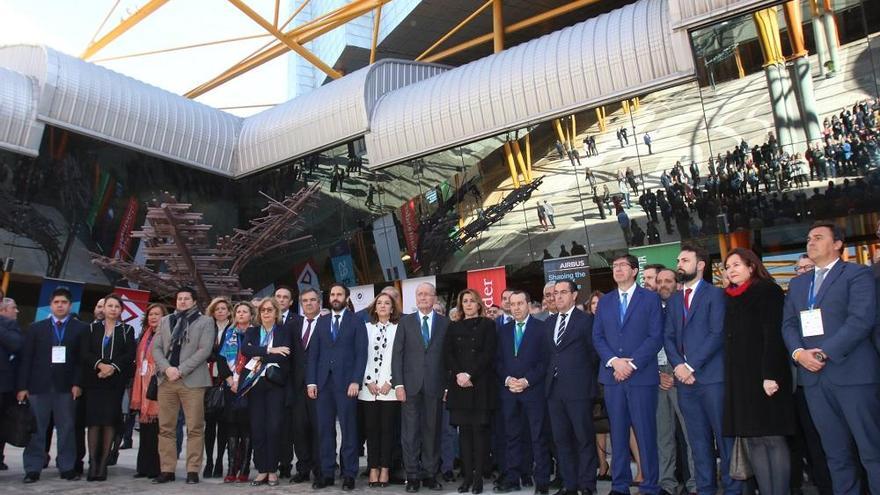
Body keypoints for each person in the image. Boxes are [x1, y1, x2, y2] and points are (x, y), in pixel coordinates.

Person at [783, 222, 880, 494]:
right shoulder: (799, 283)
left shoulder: (857, 274)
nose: (810, 243)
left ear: (838, 244)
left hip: (853, 376)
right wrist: (799, 353)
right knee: (835, 454)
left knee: (871, 451)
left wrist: (825, 352)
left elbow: (861, 320)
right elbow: (788, 324)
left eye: (818, 237)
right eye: (808, 238)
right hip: (814, 381)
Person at [663, 247, 736, 495]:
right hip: (685, 383)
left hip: (712, 379)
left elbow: (717, 334)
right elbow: (668, 337)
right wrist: (679, 366)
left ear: (701, 265)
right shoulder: (674, 299)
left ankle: (733, 489)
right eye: (678, 260)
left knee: (724, 440)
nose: (679, 264)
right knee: (697, 442)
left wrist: (690, 365)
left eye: (685, 260)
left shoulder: (716, 295)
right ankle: (705, 489)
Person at [722, 248, 794, 495]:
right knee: (754, 440)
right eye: (727, 267)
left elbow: (773, 334)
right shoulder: (730, 296)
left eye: (736, 265)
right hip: (741, 381)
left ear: (751, 266)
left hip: (766, 375)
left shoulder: (767, 291)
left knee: (773, 438)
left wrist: (770, 374)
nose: (730, 270)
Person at [592, 254, 663, 495]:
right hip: (613, 378)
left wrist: (631, 365)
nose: (617, 269)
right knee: (618, 434)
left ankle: (651, 485)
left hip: (641, 377)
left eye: (622, 266)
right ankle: (619, 485)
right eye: (614, 266)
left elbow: (655, 337)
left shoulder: (650, 299)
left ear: (634, 271)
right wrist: (614, 362)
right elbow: (598, 336)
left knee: (645, 433)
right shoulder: (606, 301)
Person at [17, 286, 88, 483]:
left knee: (66, 429)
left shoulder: (80, 328)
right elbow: (26, 359)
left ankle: (66, 467)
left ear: (69, 305)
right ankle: (32, 468)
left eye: (64, 302)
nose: (60, 305)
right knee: (36, 429)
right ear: (50, 305)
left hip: (66, 388)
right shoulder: (35, 328)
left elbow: (81, 361)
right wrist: (22, 387)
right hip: (38, 387)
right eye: (56, 302)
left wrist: (77, 383)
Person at [151, 287, 215, 485]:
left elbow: (205, 350)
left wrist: (181, 369)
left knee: (195, 427)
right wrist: (167, 368)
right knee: (166, 427)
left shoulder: (205, 321)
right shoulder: (166, 320)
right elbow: (156, 347)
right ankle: (167, 469)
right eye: (180, 299)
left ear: (194, 301)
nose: (183, 301)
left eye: (187, 298)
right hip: (167, 380)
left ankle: (193, 470)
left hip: (192, 380)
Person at [307, 283, 368, 491]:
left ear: (347, 297)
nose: (335, 297)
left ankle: (349, 473)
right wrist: (311, 381)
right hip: (323, 384)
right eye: (332, 294)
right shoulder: (322, 322)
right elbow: (313, 354)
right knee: (325, 430)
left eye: (339, 294)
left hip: (346, 384)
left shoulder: (356, 321)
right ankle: (326, 473)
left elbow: (362, 354)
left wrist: (355, 380)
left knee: (349, 430)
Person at [392, 281, 449, 492]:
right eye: (420, 295)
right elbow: (397, 355)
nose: (423, 298)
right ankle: (413, 476)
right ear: (415, 299)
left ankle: (430, 474)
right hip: (410, 387)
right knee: (410, 434)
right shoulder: (405, 323)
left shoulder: (445, 323)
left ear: (434, 298)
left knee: (432, 432)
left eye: (427, 294)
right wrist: (398, 384)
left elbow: (448, 358)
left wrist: (447, 386)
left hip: (435, 386)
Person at [545, 280, 599, 495]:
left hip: (579, 390)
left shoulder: (586, 321)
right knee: (561, 440)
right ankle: (570, 484)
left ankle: (587, 485)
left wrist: (583, 378)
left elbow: (594, 355)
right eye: (555, 293)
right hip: (554, 391)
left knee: (584, 438)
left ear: (574, 295)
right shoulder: (549, 323)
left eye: (563, 292)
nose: (558, 297)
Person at [495, 291, 550, 494]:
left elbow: (545, 361)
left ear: (528, 304)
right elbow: (498, 361)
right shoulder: (503, 330)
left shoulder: (541, 328)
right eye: (512, 304)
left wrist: (526, 381)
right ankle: (512, 478)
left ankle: (542, 480)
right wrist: (509, 380)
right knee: (512, 436)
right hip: (509, 392)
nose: (516, 307)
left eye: (520, 303)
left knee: (538, 436)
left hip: (533, 391)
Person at [444, 289, 497, 495]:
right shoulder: (453, 326)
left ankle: (478, 479)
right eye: (464, 301)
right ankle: (466, 477)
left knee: (480, 433)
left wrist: (470, 376)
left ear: (479, 304)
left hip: (480, 385)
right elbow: (448, 354)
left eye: (472, 301)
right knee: (464, 434)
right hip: (459, 387)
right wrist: (459, 374)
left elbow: (488, 354)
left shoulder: (488, 325)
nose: (468, 304)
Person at [80, 294, 135, 481]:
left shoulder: (127, 330)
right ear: (103, 309)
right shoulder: (91, 328)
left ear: (121, 310)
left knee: (109, 422)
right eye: (109, 306)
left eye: (116, 307)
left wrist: (112, 367)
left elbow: (129, 354)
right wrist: (99, 365)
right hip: (95, 380)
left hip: (115, 383)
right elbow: (84, 352)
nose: (112, 309)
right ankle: (92, 464)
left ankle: (103, 464)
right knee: (94, 422)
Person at [240, 297, 292, 486]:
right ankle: (262, 469)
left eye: (270, 310)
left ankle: (272, 469)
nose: (266, 313)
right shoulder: (253, 331)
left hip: (275, 384)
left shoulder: (284, 331)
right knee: (257, 428)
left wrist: (260, 352)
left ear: (276, 312)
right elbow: (246, 350)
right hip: (254, 385)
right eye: (263, 310)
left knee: (274, 427)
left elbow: (286, 356)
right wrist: (271, 350)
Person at [360, 293, 402, 488]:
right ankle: (373, 467)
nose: (383, 306)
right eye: (380, 303)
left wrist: (390, 382)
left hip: (389, 389)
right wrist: (368, 380)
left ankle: (385, 468)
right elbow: (360, 356)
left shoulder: (399, 329)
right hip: (368, 389)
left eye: (387, 303)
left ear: (392, 308)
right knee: (371, 430)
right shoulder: (365, 328)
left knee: (388, 431)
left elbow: (400, 357)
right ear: (374, 308)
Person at [288, 288, 321, 484]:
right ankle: (302, 469)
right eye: (305, 301)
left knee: (319, 430)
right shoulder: (293, 325)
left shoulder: (326, 324)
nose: (308, 304)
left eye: (312, 300)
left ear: (319, 302)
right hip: (297, 387)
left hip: (319, 386)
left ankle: (320, 470)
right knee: (299, 429)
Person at [131, 303, 166, 479]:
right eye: (151, 314)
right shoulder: (144, 334)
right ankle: (143, 467)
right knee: (144, 430)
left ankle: (156, 468)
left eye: (157, 314)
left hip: (158, 383)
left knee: (156, 430)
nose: (153, 317)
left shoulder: (167, 335)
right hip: (141, 382)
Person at [221, 302, 255, 483]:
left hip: (249, 387)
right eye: (238, 312)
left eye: (245, 312)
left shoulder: (256, 333)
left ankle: (244, 467)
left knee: (246, 427)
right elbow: (220, 359)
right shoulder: (229, 333)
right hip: (230, 387)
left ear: (251, 315)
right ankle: (232, 466)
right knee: (232, 426)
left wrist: (243, 382)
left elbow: (258, 359)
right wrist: (230, 380)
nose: (241, 314)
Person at [204, 296, 233, 479]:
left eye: (223, 308)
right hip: (208, 379)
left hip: (228, 380)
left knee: (224, 424)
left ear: (229, 311)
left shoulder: (234, 329)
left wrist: (216, 354)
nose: (220, 311)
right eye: (217, 309)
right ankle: (208, 461)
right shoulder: (208, 328)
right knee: (209, 425)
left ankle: (220, 461)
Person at [585, 291, 610, 482]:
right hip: (592, 382)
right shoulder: (586, 325)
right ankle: (603, 467)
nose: (596, 306)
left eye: (599, 302)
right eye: (593, 303)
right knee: (598, 427)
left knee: (622, 428)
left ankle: (623, 466)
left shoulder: (610, 324)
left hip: (611, 378)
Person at [0, 297, 23, 472]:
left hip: (4, 386)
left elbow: (16, 344)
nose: (16, 311)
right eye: (13, 308)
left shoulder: (9, 326)